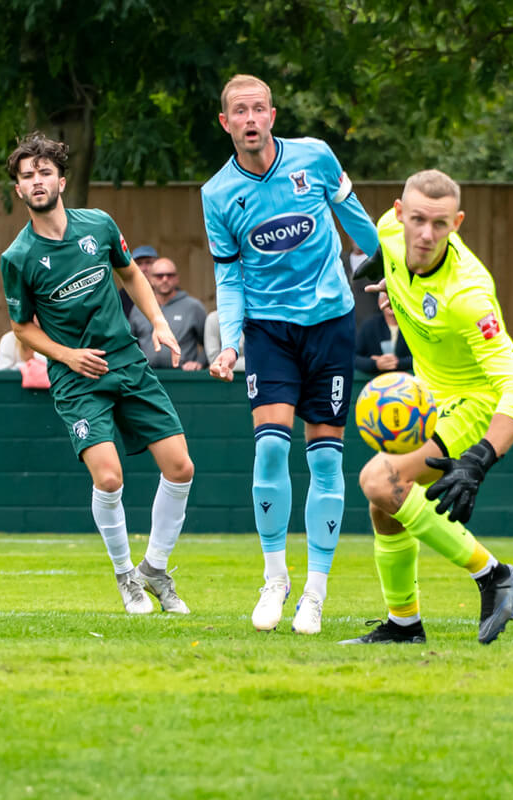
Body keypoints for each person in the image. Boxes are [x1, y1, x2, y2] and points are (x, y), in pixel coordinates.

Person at [201, 74, 380, 635]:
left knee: (325, 459)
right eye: (239, 111)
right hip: (269, 331)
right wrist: (230, 342)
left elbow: (359, 225)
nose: (250, 119)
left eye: (259, 109)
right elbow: (228, 277)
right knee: (271, 448)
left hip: (331, 323)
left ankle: (315, 592)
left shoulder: (316, 158)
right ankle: (274, 579)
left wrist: (390, 273)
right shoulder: (217, 194)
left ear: (272, 115)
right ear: (226, 122)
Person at [0, 132, 196, 616]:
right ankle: (126, 576)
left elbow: (129, 273)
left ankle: (155, 569)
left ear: (61, 180)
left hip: (127, 361)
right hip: (76, 377)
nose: (37, 181)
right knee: (109, 479)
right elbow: (21, 327)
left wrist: (158, 323)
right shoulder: (17, 258)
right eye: (28, 176)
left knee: (181, 468)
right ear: (19, 191)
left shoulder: (100, 225)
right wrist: (66, 356)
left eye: (45, 172)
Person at [343, 169, 513, 646]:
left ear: (458, 222)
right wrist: (390, 278)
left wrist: (480, 458)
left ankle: (494, 576)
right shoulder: (388, 235)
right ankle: (403, 624)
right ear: (397, 214)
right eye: (418, 220)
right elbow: (385, 244)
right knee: (385, 505)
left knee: (377, 481)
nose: (426, 235)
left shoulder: (468, 294)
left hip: (472, 404)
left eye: (441, 224)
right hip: (429, 397)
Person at [129, 257, 207, 370]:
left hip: (183, 376)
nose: (165, 279)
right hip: (147, 375)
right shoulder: (139, 307)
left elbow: (209, 342)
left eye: (169, 275)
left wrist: (200, 362)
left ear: (177, 278)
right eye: (159, 276)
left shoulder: (193, 306)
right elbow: (130, 342)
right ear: (151, 279)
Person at [354, 292, 412, 375]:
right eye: (386, 298)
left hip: (407, 382)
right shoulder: (370, 325)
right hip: (375, 383)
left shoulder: (412, 326)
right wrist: (375, 364)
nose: (390, 302)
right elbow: (354, 358)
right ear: (379, 302)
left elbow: (422, 358)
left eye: (394, 298)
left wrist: (398, 363)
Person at [119, 245, 158, 317]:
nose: (144, 268)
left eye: (148, 262)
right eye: (139, 263)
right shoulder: (123, 296)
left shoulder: (168, 292)